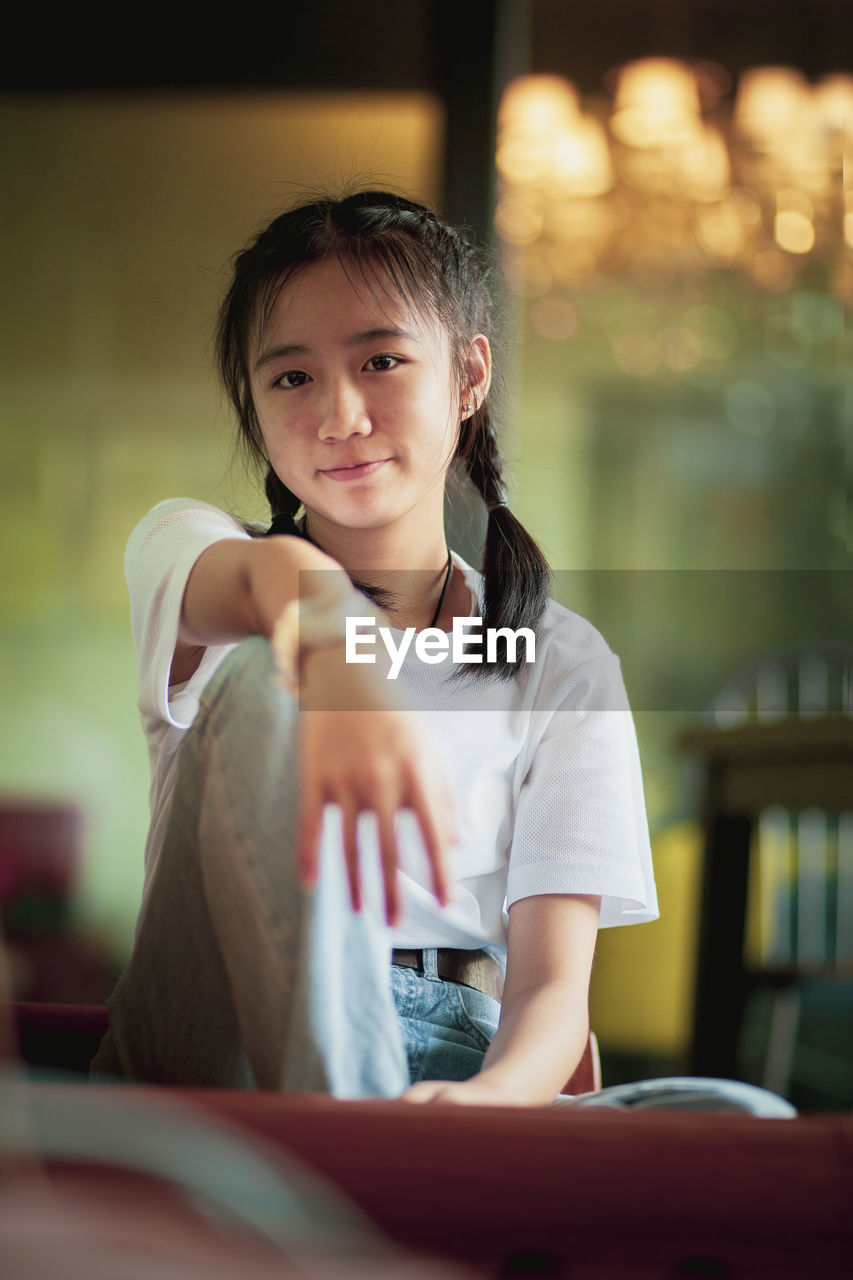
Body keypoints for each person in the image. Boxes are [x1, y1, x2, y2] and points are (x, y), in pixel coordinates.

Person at [90, 190, 791, 1115]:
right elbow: (272, 586)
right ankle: (361, 1158)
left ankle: (398, 1152)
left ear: (468, 376)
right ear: (254, 408)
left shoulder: (561, 663)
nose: (340, 415)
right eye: (290, 378)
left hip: (459, 1058)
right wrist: (333, 651)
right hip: (222, 1039)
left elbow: (549, 994)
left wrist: (488, 1104)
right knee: (270, 669)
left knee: (741, 1117)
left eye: (381, 360)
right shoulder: (195, 556)